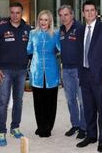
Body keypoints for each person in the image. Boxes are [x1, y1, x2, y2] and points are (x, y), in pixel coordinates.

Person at [76, 1, 102, 152]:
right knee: (89, 109)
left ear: (96, 12)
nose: (90, 13)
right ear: (83, 13)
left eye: (92, 10)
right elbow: (79, 53)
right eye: (87, 11)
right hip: (85, 75)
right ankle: (91, 136)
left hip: (101, 76)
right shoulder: (80, 30)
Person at [0, 2, 31, 147]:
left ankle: (15, 127)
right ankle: (1, 131)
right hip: (4, 71)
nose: (15, 15)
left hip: (21, 71)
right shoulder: (1, 28)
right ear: (10, 13)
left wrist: (29, 66)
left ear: (22, 13)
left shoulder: (27, 29)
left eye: (18, 12)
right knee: (3, 102)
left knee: (18, 100)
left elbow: (31, 50)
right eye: (12, 12)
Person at [27, 10, 60, 138]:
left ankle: (48, 127)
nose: (43, 22)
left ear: (50, 21)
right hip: (36, 71)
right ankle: (40, 126)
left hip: (52, 70)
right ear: (38, 21)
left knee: (51, 101)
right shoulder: (32, 34)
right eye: (41, 19)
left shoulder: (55, 34)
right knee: (38, 101)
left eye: (46, 20)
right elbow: (28, 50)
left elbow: (61, 49)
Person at [58, 5, 86, 139]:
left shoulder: (80, 28)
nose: (64, 18)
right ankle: (75, 124)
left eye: (66, 15)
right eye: (61, 15)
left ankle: (84, 127)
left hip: (79, 69)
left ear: (72, 15)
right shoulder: (61, 30)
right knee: (70, 100)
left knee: (82, 100)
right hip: (66, 69)